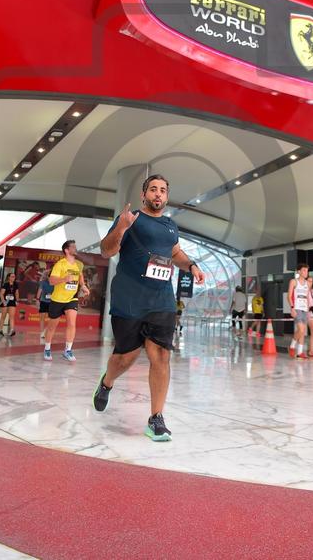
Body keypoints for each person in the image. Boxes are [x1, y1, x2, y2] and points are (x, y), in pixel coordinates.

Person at [92, 174, 205, 442]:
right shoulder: (130, 219)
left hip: (161, 299)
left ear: (166, 197)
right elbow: (106, 251)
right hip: (129, 298)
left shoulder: (170, 226)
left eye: (162, 190)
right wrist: (121, 228)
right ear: (144, 195)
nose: (158, 194)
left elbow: (174, 253)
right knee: (126, 358)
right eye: (153, 189)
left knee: (161, 356)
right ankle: (107, 382)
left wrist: (191, 265)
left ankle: (156, 418)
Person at [43, 241, 90, 362]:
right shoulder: (60, 264)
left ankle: (68, 350)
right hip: (58, 299)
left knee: (72, 323)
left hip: (72, 298)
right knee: (52, 326)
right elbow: (51, 281)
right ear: (66, 250)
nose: (75, 248)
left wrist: (83, 286)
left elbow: (80, 276)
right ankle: (47, 348)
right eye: (73, 247)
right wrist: (64, 279)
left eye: (75, 246)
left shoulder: (78, 264)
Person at [287, 263, 309, 359]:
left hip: (305, 309)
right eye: (304, 270)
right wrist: (292, 308)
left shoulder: (307, 283)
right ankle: (292, 346)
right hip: (297, 308)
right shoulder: (293, 281)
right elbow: (289, 296)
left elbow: (306, 297)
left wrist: (308, 310)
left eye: (307, 270)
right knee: (301, 329)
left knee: (302, 331)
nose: (306, 272)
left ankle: (300, 352)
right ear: (299, 271)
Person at [0, 272, 19, 337]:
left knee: (12, 316)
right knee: (3, 316)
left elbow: (17, 293)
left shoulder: (15, 284)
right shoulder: (5, 284)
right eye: (12, 276)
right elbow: (1, 294)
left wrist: (17, 300)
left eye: (14, 277)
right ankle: (1, 330)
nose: (14, 278)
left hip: (12, 301)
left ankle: (12, 330)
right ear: (9, 277)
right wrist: (3, 301)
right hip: (5, 301)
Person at [36, 270, 54, 339]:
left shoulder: (55, 284)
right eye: (49, 276)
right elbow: (39, 291)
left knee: (52, 318)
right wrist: (37, 299)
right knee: (42, 318)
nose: (50, 278)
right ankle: (42, 332)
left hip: (52, 302)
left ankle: (45, 330)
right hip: (43, 302)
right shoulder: (43, 282)